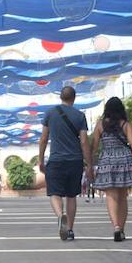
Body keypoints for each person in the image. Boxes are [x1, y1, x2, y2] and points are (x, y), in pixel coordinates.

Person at [38, 86, 93, 241]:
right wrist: (89, 164)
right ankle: (69, 229)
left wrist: (40, 160)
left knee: (54, 193)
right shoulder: (80, 116)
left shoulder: (50, 113)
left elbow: (43, 139)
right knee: (71, 196)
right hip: (75, 161)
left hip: (55, 160)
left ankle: (60, 215)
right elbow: (83, 141)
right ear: (74, 98)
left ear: (60, 97)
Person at [90, 97, 132, 242]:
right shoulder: (125, 125)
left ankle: (116, 227)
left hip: (107, 160)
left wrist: (90, 163)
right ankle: (122, 229)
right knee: (123, 197)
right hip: (124, 159)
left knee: (111, 196)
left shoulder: (100, 125)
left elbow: (94, 145)